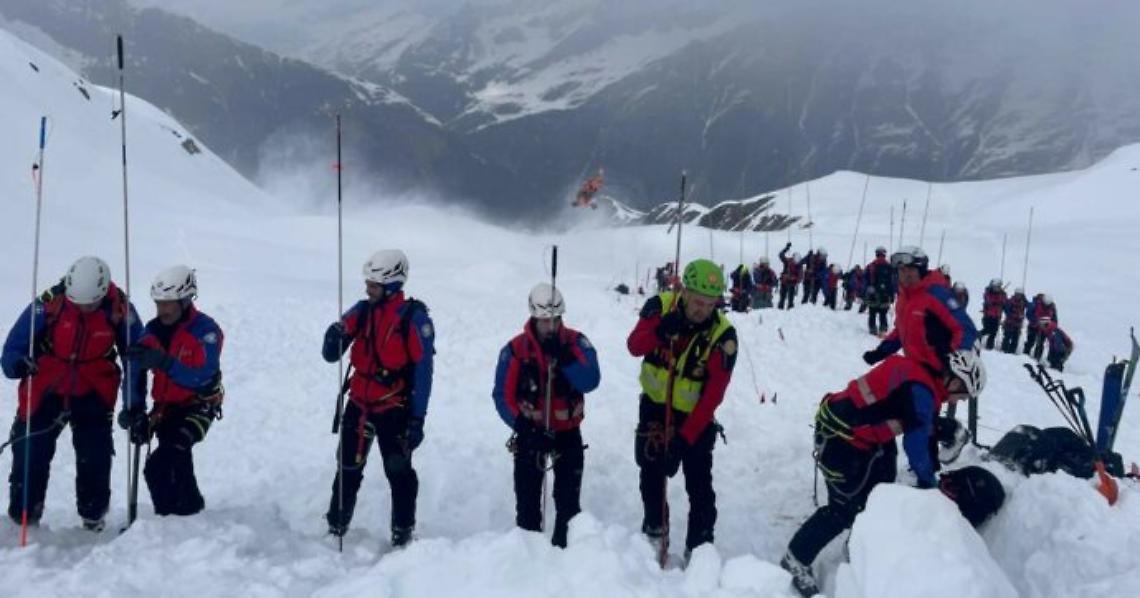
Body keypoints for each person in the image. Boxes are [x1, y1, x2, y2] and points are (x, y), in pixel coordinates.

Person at [781, 348, 987, 597]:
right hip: (840, 440)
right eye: (962, 394)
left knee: (880, 492)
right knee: (843, 509)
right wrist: (929, 484)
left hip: (866, 438)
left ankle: (861, 542)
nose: (957, 401)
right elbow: (916, 444)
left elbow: (911, 417)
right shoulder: (922, 391)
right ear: (954, 379)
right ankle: (795, 559)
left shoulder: (922, 375)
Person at [2, 256, 143, 531]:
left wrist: (133, 406)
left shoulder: (121, 309)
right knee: (29, 449)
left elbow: (135, 359)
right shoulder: (48, 303)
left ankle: (93, 516)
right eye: (77, 302)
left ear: (103, 293)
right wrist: (18, 364)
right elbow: (12, 348)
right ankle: (24, 516)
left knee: (96, 453)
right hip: (47, 384)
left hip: (94, 387)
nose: (84, 308)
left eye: (90, 304)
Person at [322, 250, 435, 547]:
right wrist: (334, 335)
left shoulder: (414, 319)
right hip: (359, 403)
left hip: (394, 407)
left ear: (393, 285)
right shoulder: (363, 310)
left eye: (373, 285)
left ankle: (403, 533)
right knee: (347, 467)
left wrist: (417, 418)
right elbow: (333, 349)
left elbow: (423, 373)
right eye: (367, 283)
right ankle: (336, 527)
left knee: (398, 471)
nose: (367, 289)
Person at [627, 259, 737, 558]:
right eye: (698, 301)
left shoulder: (723, 337)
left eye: (710, 303)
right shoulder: (659, 307)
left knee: (699, 484)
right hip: (654, 407)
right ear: (684, 292)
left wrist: (684, 438)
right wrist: (660, 332)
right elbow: (635, 346)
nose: (703, 309)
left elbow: (713, 396)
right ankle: (654, 527)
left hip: (695, 418)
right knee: (651, 470)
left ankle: (699, 547)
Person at [491, 283, 600, 547]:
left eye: (555, 320)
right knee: (527, 501)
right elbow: (502, 396)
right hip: (531, 434)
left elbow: (591, 380)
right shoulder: (515, 350)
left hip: (567, 432)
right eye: (544, 321)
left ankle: (565, 550)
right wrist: (524, 428)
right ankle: (528, 552)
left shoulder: (577, 343)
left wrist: (565, 359)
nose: (550, 326)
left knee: (568, 503)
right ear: (533, 318)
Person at [120, 265, 224, 516]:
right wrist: (133, 409)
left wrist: (164, 362)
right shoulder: (153, 331)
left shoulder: (207, 331)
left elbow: (204, 377)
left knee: (160, 465)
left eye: (169, 304)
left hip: (198, 406)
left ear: (186, 301)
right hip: (165, 409)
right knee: (177, 462)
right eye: (159, 304)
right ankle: (189, 510)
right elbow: (135, 369)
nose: (162, 310)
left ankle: (170, 519)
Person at [863, 247, 895, 336]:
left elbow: (865, 280)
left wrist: (864, 293)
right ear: (884, 254)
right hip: (885, 294)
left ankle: (872, 328)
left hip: (873, 293)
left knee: (872, 312)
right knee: (883, 313)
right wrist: (892, 295)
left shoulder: (870, 266)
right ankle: (883, 328)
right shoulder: (890, 267)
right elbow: (892, 282)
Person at [979, 279, 1007, 350]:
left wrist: (1001, 301)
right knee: (987, 330)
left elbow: (1004, 302)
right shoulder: (988, 292)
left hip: (997, 316)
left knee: (994, 332)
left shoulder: (1002, 294)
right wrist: (997, 301)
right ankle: (977, 338)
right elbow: (988, 300)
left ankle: (989, 346)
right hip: (988, 315)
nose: (997, 289)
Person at [1001, 288, 1028, 354]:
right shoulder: (1010, 301)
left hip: (1018, 324)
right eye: (1017, 294)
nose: (1018, 296)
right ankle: (1004, 350)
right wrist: (1016, 315)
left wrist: (1025, 299)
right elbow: (1007, 310)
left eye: (1020, 295)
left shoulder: (1023, 302)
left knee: (1015, 338)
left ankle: (1012, 351)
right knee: (1007, 337)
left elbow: (1029, 306)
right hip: (1009, 322)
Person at [778, 244, 802, 310]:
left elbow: (800, 276)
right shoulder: (787, 261)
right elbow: (781, 255)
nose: (795, 262)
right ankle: (780, 309)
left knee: (791, 298)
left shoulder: (799, 266)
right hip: (784, 282)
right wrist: (786, 248)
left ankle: (790, 309)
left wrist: (794, 278)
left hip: (792, 283)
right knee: (782, 297)